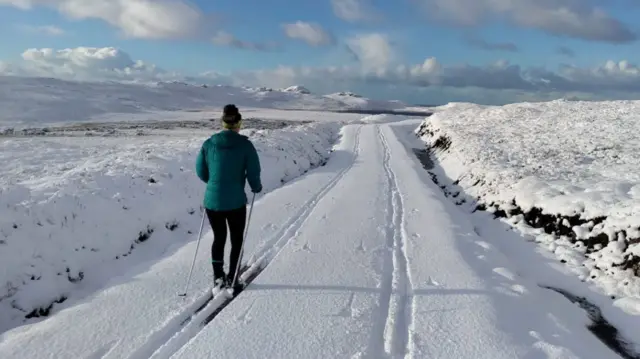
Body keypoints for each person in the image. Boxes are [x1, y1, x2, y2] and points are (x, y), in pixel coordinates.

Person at [195, 104, 262, 290]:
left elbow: (200, 171)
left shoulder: (208, 144)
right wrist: (256, 187)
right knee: (237, 239)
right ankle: (233, 278)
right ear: (239, 123)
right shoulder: (245, 145)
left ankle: (218, 277)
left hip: (212, 201)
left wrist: (215, 182)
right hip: (235, 202)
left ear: (222, 122)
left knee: (219, 238)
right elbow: (253, 172)